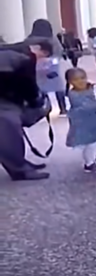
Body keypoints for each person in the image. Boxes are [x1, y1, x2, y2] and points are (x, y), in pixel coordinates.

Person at [0, 39, 53, 181]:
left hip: (6, 98)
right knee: (9, 128)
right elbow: (26, 83)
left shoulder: (14, 54)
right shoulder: (25, 58)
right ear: (41, 51)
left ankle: (20, 163)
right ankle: (19, 170)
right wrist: (36, 101)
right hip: (4, 102)